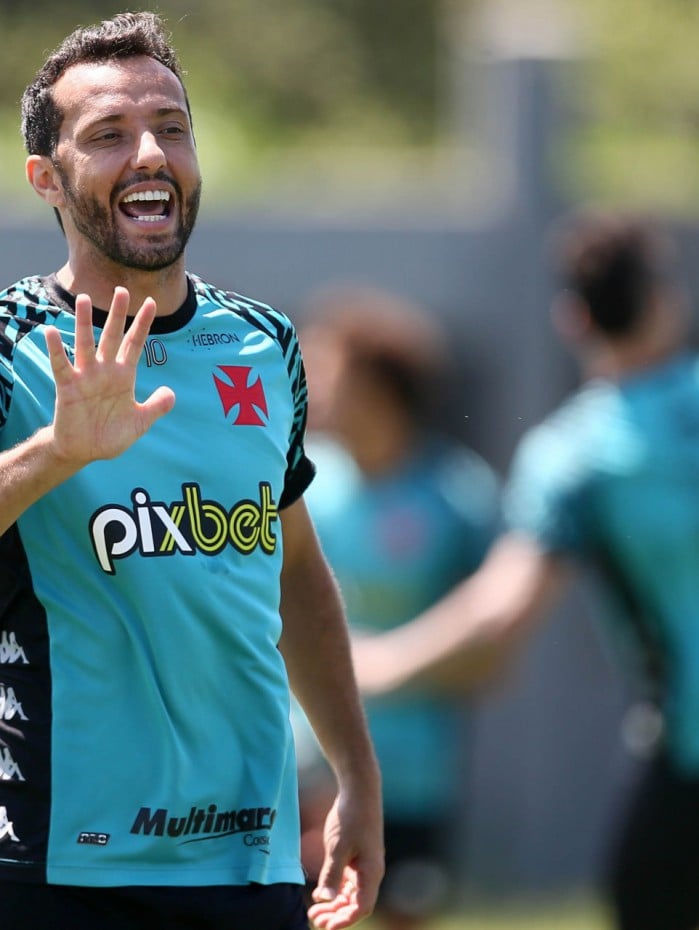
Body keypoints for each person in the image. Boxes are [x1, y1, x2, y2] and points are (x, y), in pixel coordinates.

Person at [0, 12, 383, 930]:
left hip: (247, 860)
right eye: (108, 135)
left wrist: (356, 776)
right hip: (60, 865)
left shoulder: (264, 342)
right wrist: (59, 452)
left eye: (171, 127)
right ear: (46, 180)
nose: (150, 153)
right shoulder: (11, 342)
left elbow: (291, 569)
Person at [351, 211, 699, 930]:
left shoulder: (578, 455)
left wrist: (376, 664)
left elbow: (498, 615)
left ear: (571, 319)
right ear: (669, 299)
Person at [294, 286, 502, 929]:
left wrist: (392, 665)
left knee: (404, 913)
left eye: (331, 372)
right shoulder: (302, 484)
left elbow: (492, 636)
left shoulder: (458, 496)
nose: (315, 388)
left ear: (380, 388)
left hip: (414, 772)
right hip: (305, 764)